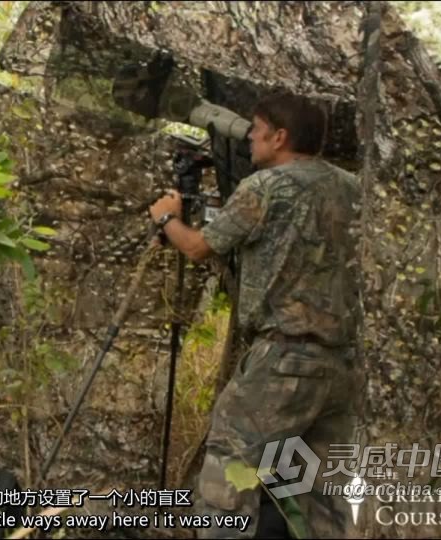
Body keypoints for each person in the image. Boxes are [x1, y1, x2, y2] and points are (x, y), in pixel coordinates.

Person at [149, 92, 363, 538]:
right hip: (343, 365)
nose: (249, 140)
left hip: (282, 358)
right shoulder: (353, 188)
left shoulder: (263, 188)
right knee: (323, 490)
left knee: (231, 468)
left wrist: (168, 218)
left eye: (256, 130)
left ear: (280, 136)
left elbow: (197, 247)